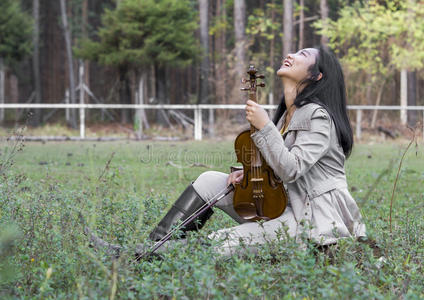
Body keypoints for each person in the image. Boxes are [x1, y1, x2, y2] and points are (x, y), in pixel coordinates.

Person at [84, 45, 367, 259]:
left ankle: (140, 256)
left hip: (308, 219)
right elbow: (280, 167)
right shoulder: (288, 116)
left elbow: (292, 168)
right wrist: (250, 172)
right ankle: (149, 251)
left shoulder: (318, 117)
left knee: (223, 240)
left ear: (317, 75)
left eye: (302, 53)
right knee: (209, 180)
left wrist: (265, 126)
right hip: (279, 203)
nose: (291, 53)